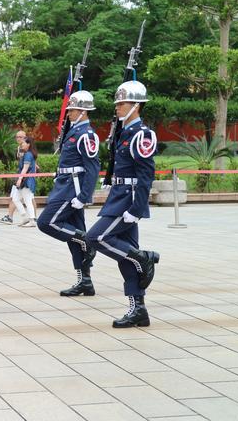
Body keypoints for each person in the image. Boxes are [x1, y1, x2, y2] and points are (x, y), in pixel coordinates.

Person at [81, 81, 160, 328]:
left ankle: (144, 258)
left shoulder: (142, 134)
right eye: (117, 103)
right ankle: (138, 310)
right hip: (119, 194)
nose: (117, 107)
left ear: (136, 106)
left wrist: (136, 209)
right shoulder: (124, 132)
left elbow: (146, 175)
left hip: (129, 199)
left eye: (122, 103)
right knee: (126, 257)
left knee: (96, 237)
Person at [36, 91, 101, 295]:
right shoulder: (74, 131)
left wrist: (84, 197)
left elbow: (93, 168)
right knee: (74, 238)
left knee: (46, 222)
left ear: (83, 112)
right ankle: (85, 281)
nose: (69, 112)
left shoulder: (86, 134)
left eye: (73, 109)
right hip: (65, 185)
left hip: (72, 189)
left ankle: (87, 240)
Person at [0, 130, 26, 224]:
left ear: (25, 137)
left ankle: (31, 218)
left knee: (27, 198)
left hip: (25, 176)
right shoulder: (18, 148)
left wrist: (21, 177)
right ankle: (11, 216)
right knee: (19, 197)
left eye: (20, 137)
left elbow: (30, 162)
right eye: (17, 137)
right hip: (20, 174)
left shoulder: (26, 148)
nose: (18, 139)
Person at [12, 136, 38, 227]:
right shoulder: (27, 154)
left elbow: (25, 168)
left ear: (28, 144)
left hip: (27, 181)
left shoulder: (28, 155)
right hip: (25, 180)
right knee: (15, 199)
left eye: (23, 143)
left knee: (28, 200)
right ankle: (25, 218)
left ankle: (32, 220)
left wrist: (19, 179)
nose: (21, 144)